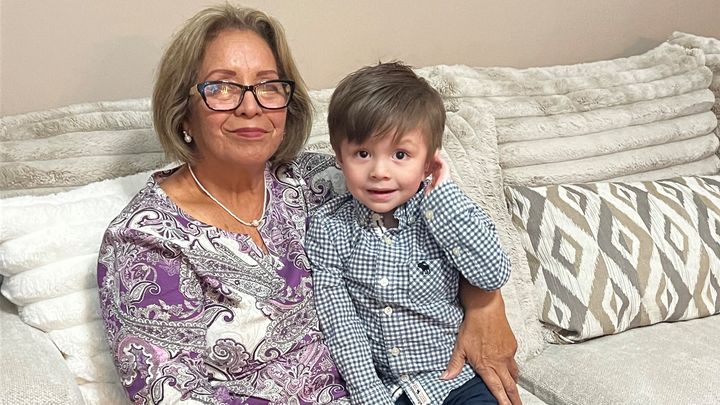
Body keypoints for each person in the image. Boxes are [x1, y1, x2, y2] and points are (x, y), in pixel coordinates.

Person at [96, 4, 520, 404]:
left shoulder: (320, 180)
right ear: (183, 111)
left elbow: (429, 230)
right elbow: (168, 392)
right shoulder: (143, 242)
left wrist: (485, 304)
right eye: (222, 87)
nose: (251, 106)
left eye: (268, 85)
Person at [305, 62, 512, 405]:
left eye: (400, 155)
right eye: (362, 153)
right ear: (339, 155)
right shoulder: (329, 228)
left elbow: (492, 275)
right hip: (388, 390)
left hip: (456, 381)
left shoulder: (447, 211)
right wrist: (369, 393)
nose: (379, 171)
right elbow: (340, 322)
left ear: (429, 162)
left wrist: (443, 197)